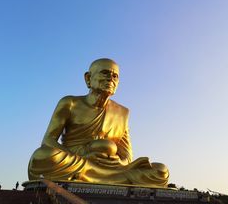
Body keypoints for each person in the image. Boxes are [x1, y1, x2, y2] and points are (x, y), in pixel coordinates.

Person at [28, 58, 169, 187]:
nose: (110, 79)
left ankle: (97, 178)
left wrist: (120, 162)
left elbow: (126, 155)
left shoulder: (122, 112)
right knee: (42, 156)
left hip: (112, 168)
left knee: (161, 171)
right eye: (105, 73)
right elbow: (48, 141)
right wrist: (83, 155)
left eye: (115, 76)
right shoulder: (70, 103)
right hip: (78, 161)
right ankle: (113, 180)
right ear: (88, 78)